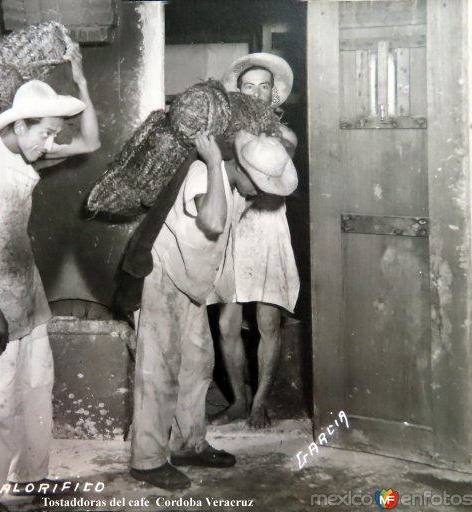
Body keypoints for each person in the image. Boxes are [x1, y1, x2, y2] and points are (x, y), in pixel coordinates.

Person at [0, 41, 100, 512]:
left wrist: (80, 84)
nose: (50, 142)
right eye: (45, 133)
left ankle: (28, 478)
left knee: (35, 385)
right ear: (20, 124)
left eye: (55, 133)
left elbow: (92, 142)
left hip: (26, 285)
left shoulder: (26, 154)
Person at [129, 133, 237, 491]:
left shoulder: (226, 176)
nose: (258, 191)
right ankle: (147, 461)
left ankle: (189, 444)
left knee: (198, 361)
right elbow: (213, 221)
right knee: (159, 369)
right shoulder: (203, 170)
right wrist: (212, 162)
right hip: (162, 272)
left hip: (188, 277)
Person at [211, 53, 300, 429]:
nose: (257, 92)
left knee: (267, 321)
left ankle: (260, 401)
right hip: (232, 228)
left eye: (264, 86)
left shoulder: (286, 138)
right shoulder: (223, 136)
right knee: (228, 323)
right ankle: (238, 399)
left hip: (266, 230)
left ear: (274, 94)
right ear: (238, 92)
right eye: (249, 86)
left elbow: (260, 183)